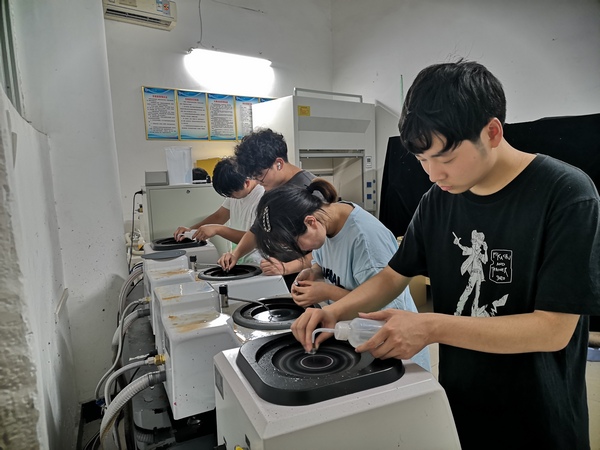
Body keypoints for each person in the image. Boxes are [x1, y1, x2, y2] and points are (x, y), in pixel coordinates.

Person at [291, 60, 600, 450]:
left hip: (540, 416)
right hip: (461, 403)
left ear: (491, 132)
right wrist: (335, 312)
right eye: (422, 160)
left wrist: (430, 327)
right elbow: (393, 276)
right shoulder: (438, 201)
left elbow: (553, 330)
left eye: (446, 159)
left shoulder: (566, 194)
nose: (433, 174)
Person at [252, 178, 430, 370]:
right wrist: (313, 272)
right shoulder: (327, 220)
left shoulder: (365, 240)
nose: (302, 250)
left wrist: (327, 292)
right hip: (356, 335)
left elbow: (385, 309)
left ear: (310, 222)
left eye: (297, 244)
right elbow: (323, 261)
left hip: (396, 349)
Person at [219, 128, 316, 279]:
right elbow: (258, 229)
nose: (258, 182)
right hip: (280, 272)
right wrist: (236, 254)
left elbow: (327, 248)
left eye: (259, 175)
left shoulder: (310, 189)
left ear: (278, 163)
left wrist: (288, 267)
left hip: (308, 276)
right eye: (254, 177)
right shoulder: (271, 188)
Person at [173, 156, 263, 265]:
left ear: (247, 183)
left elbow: (256, 239)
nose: (230, 197)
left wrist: (218, 229)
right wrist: (190, 230)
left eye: (231, 194)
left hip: (257, 262)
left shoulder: (262, 197)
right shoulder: (237, 191)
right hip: (238, 258)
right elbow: (219, 216)